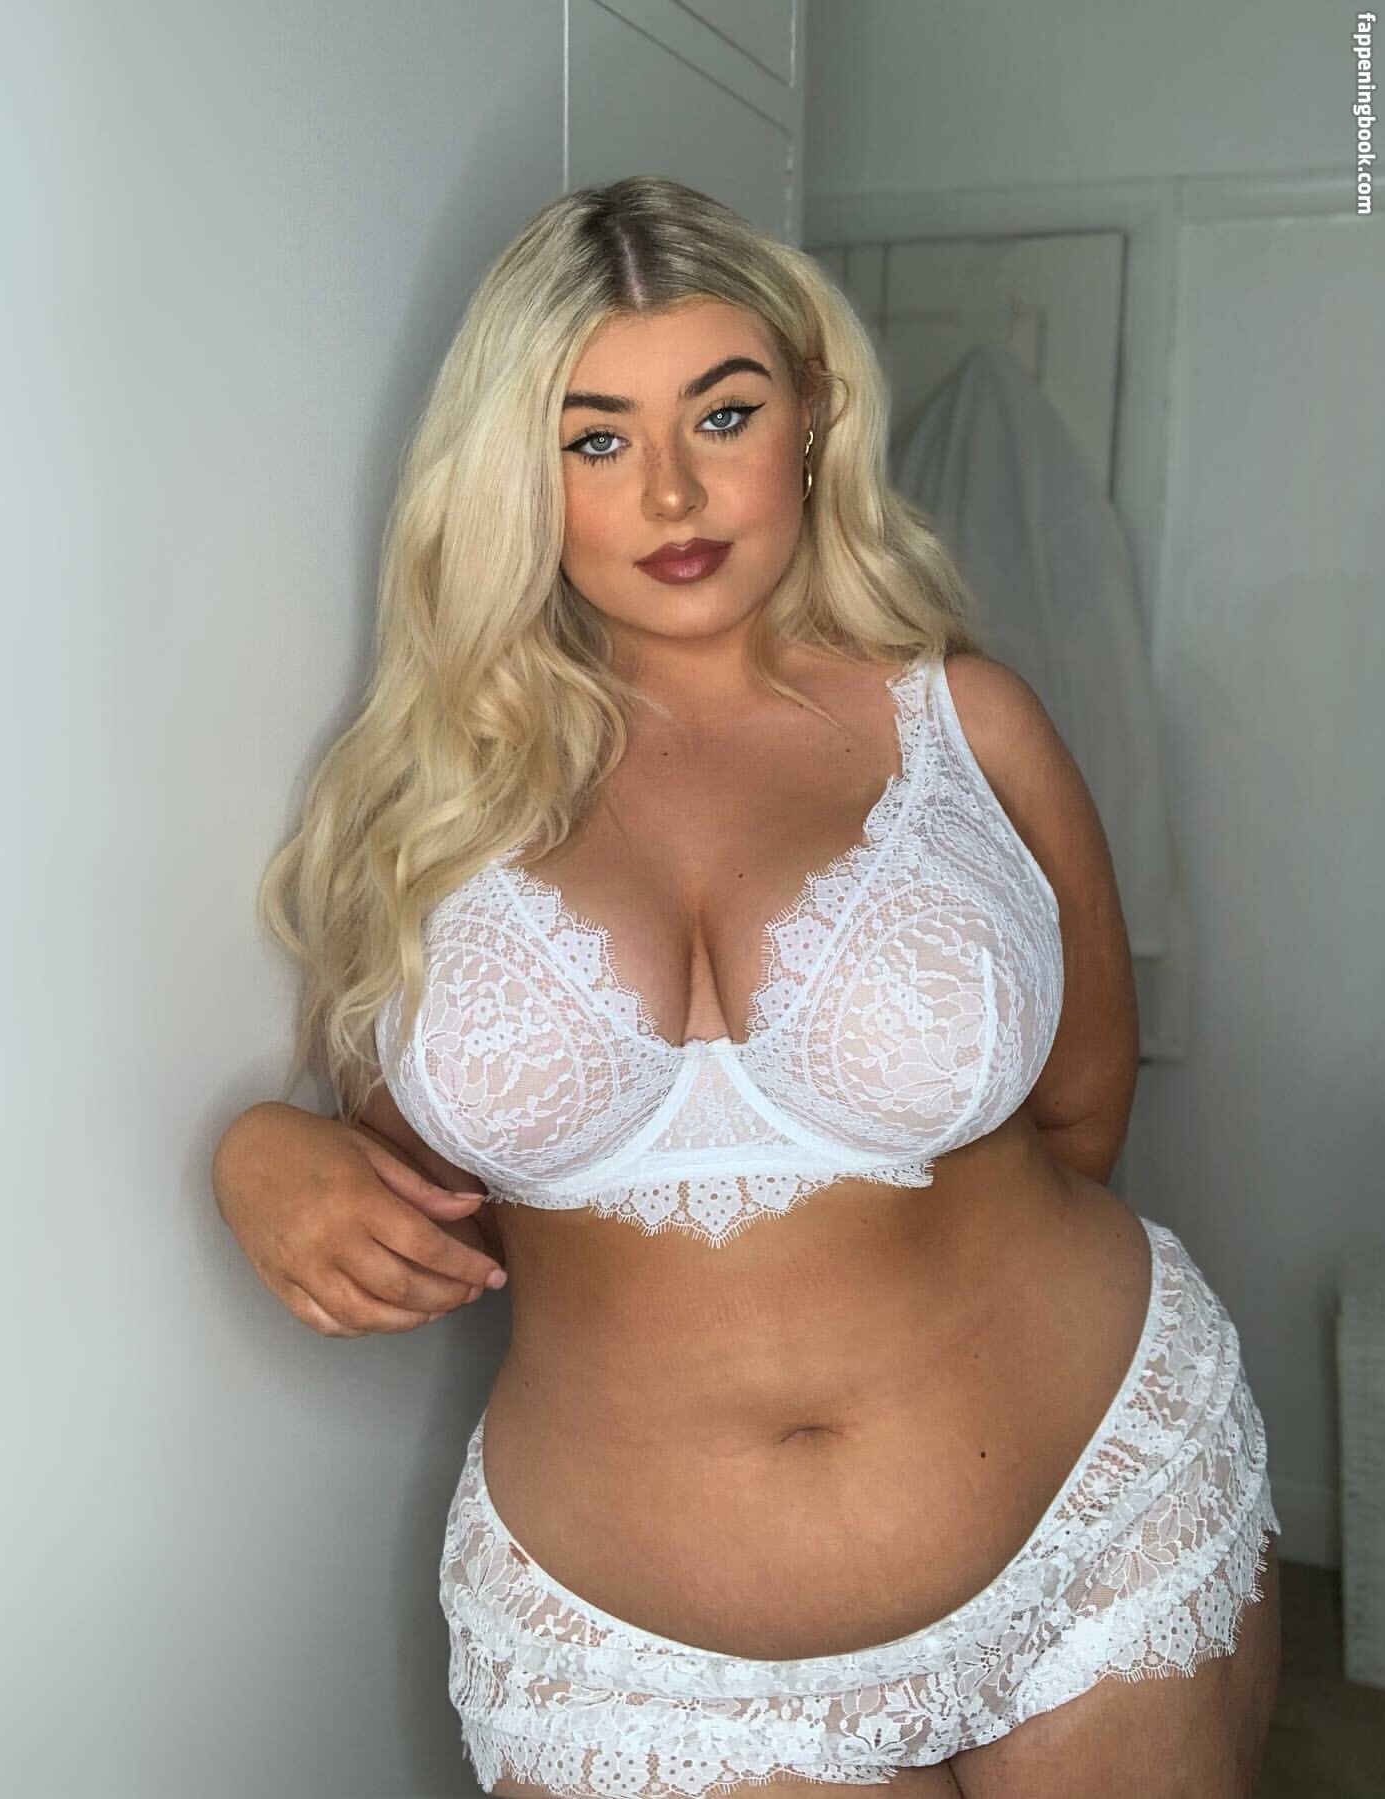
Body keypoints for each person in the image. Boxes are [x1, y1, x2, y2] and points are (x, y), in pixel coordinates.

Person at [211, 176, 1282, 1798]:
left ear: (811, 418)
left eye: (723, 413)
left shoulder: (969, 725)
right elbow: (437, 1206)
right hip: (633, 1659)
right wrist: (255, 1152)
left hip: (1100, 1521)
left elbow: (1081, 1115)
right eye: (594, 439)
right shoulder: (418, 811)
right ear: (514, 474)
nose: (671, 491)